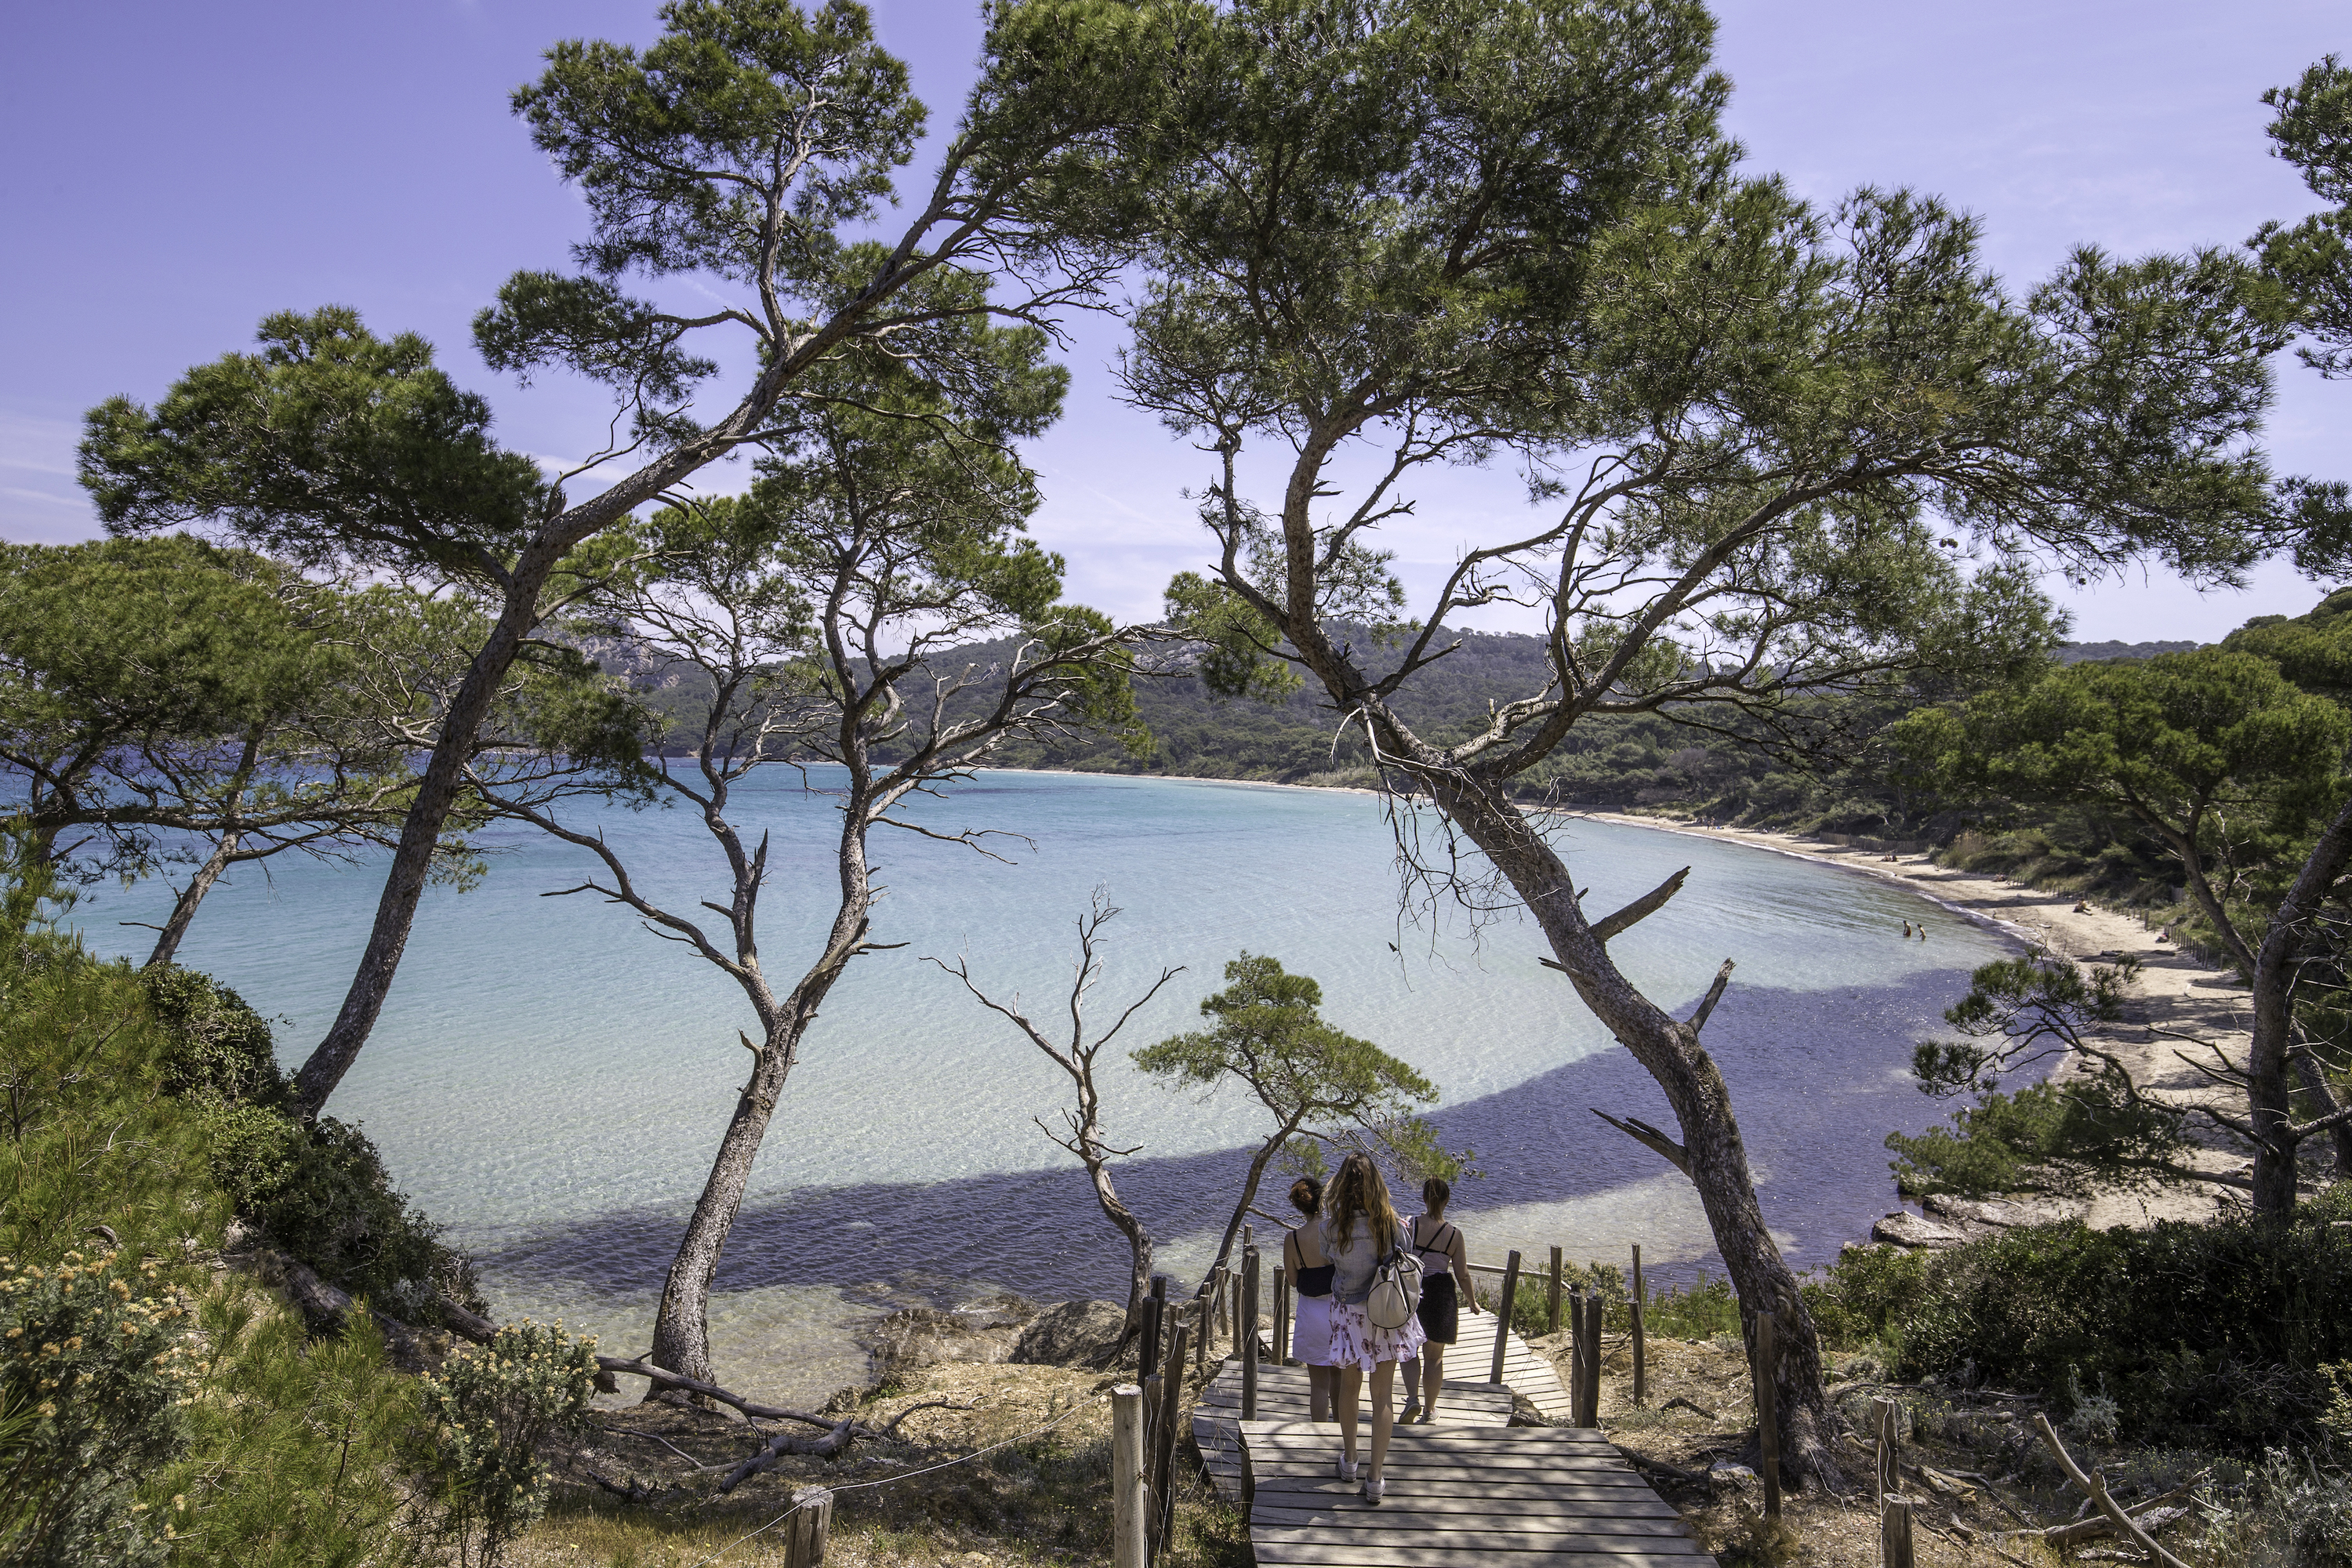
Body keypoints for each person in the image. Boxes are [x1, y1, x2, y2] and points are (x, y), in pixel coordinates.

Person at [1322, 1151, 1425, 1505]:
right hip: (1387, 1313)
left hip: (1350, 1313)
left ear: (1341, 1185)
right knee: (1383, 1396)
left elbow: (1328, 1257)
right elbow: (1407, 1252)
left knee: (1349, 1389)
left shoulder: (1331, 1226)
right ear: (1376, 1184)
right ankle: (1375, 1478)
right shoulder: (1391, 1223)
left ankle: (1350, 1460)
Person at [1399, 1175, 1479, 1425]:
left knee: (1410, 1352)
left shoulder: (1412, 1225)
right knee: (1434, 1357)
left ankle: (1412, 1398)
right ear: (1447, 1201)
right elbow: (1463, 1274)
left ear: (1424, 1198)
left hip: (1413, 1292)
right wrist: (1473, 1302)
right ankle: (1430, 1411)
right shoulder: (1454, 1235)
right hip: (1441, 1295)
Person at [1281, 1176, 1338, 1421]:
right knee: (1340, 1379)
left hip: (1312, 1312)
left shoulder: (1292, 1239)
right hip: (1340, 1310)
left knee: (1319, 1385)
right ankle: (1342, 1432)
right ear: (1322, 1199)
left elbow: (1293, 1281)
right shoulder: (1336, 1230)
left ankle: (1319, 1435)